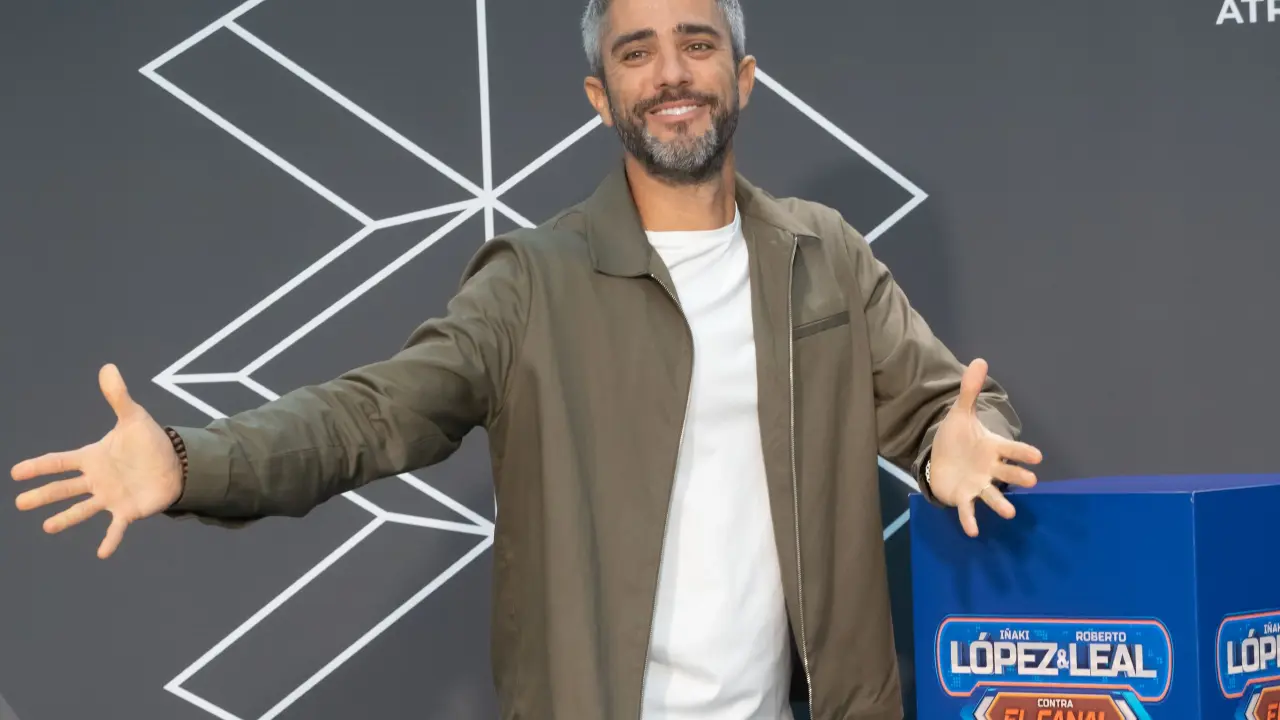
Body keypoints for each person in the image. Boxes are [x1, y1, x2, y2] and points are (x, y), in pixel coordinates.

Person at [11, 0, 1043, 717]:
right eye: (637, 53)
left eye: (696, 44)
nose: (670, 73)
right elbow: (371, 414)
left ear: (742, 76)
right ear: (599, 94)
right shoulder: (531, 281)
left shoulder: (826, 256)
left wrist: (959, 444)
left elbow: (951, 409)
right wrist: (191, 461)